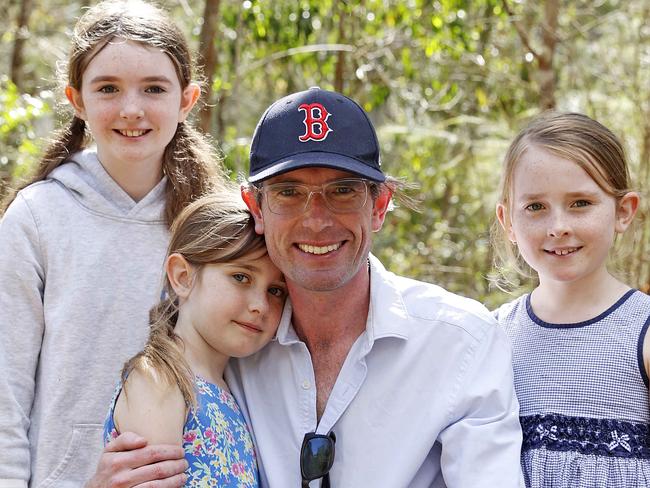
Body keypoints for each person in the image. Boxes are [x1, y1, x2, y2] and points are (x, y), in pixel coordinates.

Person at [90, 87, 523, 487]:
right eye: (289, 192)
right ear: (255, 207)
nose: (316, 220)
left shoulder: (458, 342)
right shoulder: (234, 345)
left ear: (380, 206)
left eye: (343, 191)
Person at [0, 1, 225, 486]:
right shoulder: (38, 218)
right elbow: (5, 394)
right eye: (107, 88)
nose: (131, 109)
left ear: (186, 100)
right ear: (76, 99)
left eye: (154, 89)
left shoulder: (212, 224)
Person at [492, 112, 648, 487]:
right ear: (508, 222)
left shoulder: (642, 333)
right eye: (535, 207)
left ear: (623, 212)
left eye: (580, 203)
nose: (558, 226)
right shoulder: (491, 335)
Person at [104, 190, 287, 487]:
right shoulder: (159, 379)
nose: (260, 305)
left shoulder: (237, 390)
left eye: (276, 291)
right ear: (182, 277)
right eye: (241, 277)